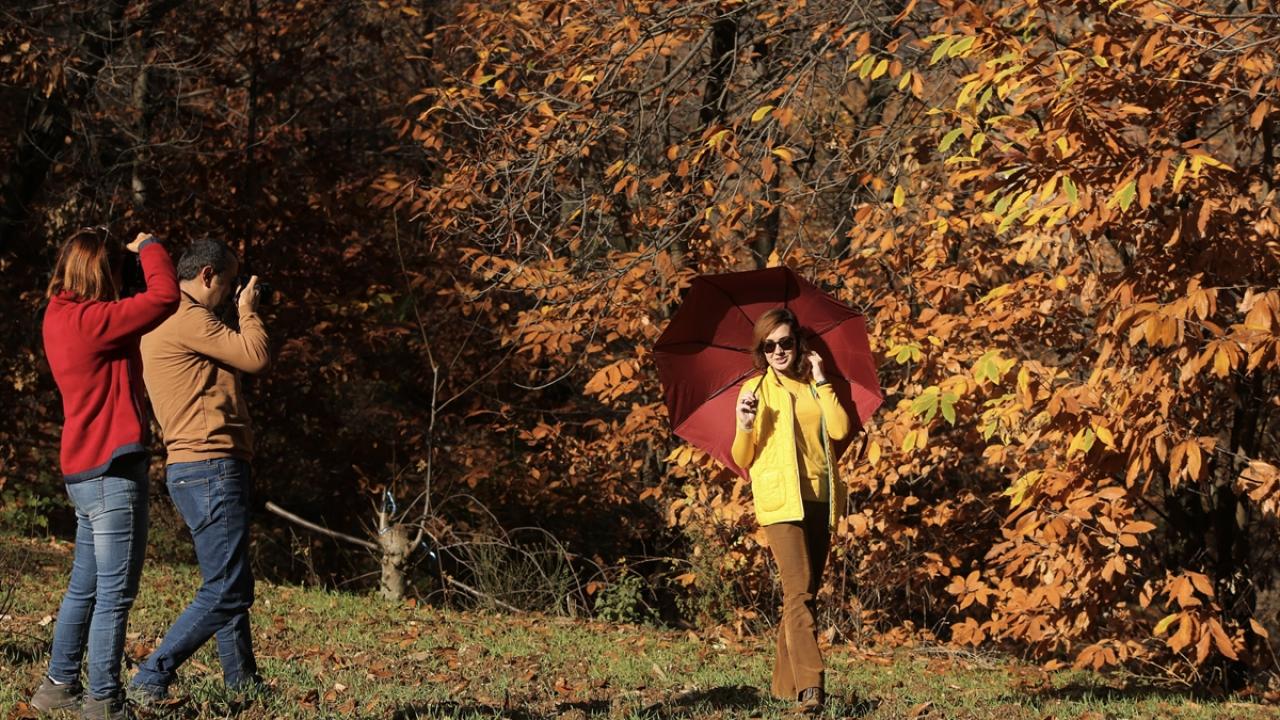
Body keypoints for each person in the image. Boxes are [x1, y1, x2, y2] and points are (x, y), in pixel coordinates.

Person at [32, 229, 179, 719]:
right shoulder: (95, 321)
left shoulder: (58, 315)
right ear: (103, 271)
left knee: (86, 588)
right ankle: (104, 701)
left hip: (83, 470)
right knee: (115, 595)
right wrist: (150, 247)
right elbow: (165, 296)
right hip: (113, 470)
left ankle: (58, 685)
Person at [129, 238, 270, 701]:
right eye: (228, 284)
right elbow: (255, 356)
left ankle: (242, 683)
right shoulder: (188, 317)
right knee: (229, 589)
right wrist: (248, 310)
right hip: (210, 463)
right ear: (207, 275)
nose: (230, 294)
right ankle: (152, 676)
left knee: (224, 582)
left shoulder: (163, 316)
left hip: (194, 465)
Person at [732, 307, 851, 715]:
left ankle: (784, 686)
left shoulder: (813, 387)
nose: (778, 351)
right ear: (761, 351)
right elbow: (742, 458)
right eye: (769, 346)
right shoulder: (753, 391)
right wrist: (744, 423)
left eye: (785, 342)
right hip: (780, 502)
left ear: (797, 344)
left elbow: (840, 429)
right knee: (798, 591)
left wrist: (822, 380)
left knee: (805, 594)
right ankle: (811, 687)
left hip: (819, 497)